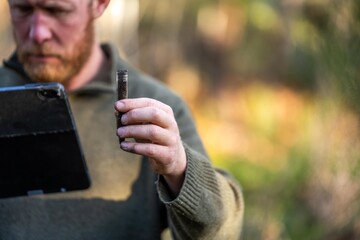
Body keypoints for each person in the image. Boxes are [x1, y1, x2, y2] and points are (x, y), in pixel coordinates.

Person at [0, 0, 244, 239]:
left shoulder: (159, 108)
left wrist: (179, 168)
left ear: (99, 4)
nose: (38, 32)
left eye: (57, 10)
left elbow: (222, 232)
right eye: (23, 9)